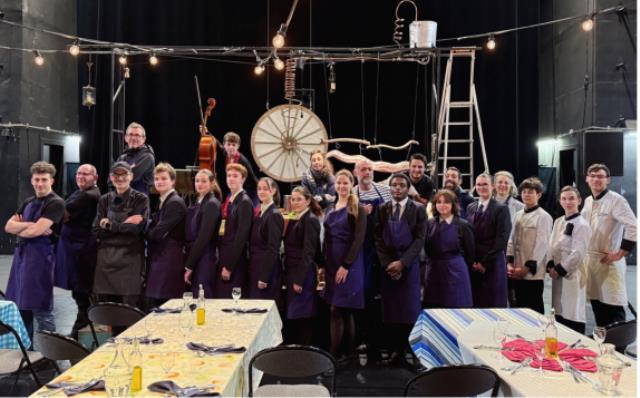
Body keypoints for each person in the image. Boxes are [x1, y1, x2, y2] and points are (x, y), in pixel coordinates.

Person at [5, 161, 65, 338]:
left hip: (41, 259)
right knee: (21, 306)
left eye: (44, 180)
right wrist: (31, 224)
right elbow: (8, 226)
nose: (40, 183)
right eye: (37, 179)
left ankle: (50, 354)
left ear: (51, 181)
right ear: (31, 180)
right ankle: (26, 353)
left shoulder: (56, 203)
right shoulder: (28, 201)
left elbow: (36, 231)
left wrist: (23, 226)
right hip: (21, 258)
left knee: (41, 308)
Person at [375, 173, 426, 366]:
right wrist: (388, 263)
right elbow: (378, 238)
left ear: (407, 188)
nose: (397, 188)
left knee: (409, 310)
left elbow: (420, 239)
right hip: (388, 267)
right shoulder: (382, 208)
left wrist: (402, 263)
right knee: (392, 310)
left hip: (409, 266)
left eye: (401, 185)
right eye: (394, 185)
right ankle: (396, 349)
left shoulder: (419, 210)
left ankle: (411, 352)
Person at [582, 163, 637, 327]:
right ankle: (604, 344)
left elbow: (633, 225)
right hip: (591, 262)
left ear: (608, 180)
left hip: (609, 262)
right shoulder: (587, 201)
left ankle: (618, 348)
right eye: (593, 176)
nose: (596, 179)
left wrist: (620, 253)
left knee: (613, 307)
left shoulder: (616, 200)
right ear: (587, 179)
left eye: (600, 176)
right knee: (597, 306)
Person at [320, 169, 366, 362]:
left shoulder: (357, 208)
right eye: (338, 183)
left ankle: (333, 354)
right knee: (343, 310)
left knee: (338, 309)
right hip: (331, 262)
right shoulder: (330, 207)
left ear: (351, 184)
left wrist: (346, 265)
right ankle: (350, 353)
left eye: (345, 183)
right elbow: (325, 238)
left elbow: (358, 240)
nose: (341, 186)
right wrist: (323, 264)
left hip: (349, 263)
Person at [54, 163, 100, 340]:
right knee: (79, 293)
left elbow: (60, 213)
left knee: (82, 294)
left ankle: (78, 334)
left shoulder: (88, 195)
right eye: (79, 173)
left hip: (81, 252)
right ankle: (79, 332)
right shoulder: (81, 193)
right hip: (74, 250)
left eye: (86, 174)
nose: (81, 176)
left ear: (95, 178)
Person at [93, 161, 149, 308]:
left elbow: (137, 230)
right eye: (116, 175)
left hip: (130, 259)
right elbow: (96, 230)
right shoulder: (104, 200)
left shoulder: (141, 199)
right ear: (111, 178)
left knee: (130, 309)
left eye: (124, 174)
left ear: (131, 176)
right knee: (109, 310)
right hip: (107, 260)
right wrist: (125, 225)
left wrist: (110, 225)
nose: (120, 178)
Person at [352, 159, 391, 364]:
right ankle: (363, 339)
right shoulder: (350, 193)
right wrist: (360, 214)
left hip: (381, 249)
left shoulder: (384, 191)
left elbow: (391, 218)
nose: (367, 172)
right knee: (363, 296)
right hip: (361, 251)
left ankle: (380, 342)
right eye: (363, 169)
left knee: (380, 298)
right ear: (356, 172)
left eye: (370, 169)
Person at [546, 186, 592, 334]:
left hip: (572, 276)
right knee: (558, 313)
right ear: (560, 201)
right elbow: (551, 245)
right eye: (564, 198)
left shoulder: (582, 225)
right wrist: (550, 265)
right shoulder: (559, 221)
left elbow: (578, 253)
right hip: (556, 277)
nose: (568, 202)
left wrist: (559, 270)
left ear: (579, 200)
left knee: (572, 313)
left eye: (571, 198)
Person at [506, 177, 553, 314]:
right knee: (517, 307)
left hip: (532, 274)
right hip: (516, 269)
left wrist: (527, 268)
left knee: (533, 307)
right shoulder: (518, 214)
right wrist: (509, 263)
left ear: (538, 195)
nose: (526, 194)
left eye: (530, 192)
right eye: (524, 192)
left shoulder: (543, 216)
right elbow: (511, 239)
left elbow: (542, 245)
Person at [283, 186, 322, 345]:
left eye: (299, 199)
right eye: (293, 199)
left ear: (308, 201)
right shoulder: (295, 217)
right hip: (292, 270)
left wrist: (299, 279)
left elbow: (308, 252)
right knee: (295, 314)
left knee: (303, 314)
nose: (295, 202)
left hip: (303, 274)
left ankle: (305, 353)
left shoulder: (310, 219)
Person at [144, 163, 187, 310]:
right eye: (156, 178)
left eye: (163, 178)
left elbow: (156, 233)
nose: (159, 182)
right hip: (161, 256)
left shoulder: (175, 202)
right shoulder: (163, 201)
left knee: (165, 304)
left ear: (173, 181)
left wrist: (142, 226)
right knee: (156, 303)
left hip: (169, 259)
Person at [465, 173, 511, 308]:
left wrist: (484, 263)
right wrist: (472, 261)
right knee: (475, 302)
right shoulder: (471, 207)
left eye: (485, 184)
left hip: (492, 263)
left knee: (493, 303)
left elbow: (502, 240)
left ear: (492, 186)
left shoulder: (501, 209)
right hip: (474, 264)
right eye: (479, 184)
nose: (482, 187)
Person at [424, 189, 475, 308]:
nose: (442, 205)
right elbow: (426, 248)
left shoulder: (463, 225)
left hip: (455, 270)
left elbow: (470, 253)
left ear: (453, 204)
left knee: (456, 306)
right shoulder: (430, 223)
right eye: (439, 202)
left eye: (446, 202)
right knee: (434, 307)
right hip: (434, 270)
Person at [215, 163, 253, 298]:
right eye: (229, 175)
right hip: (224, 255)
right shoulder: (230, 199)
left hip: (235, 261)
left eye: (235, 176)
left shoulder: (244, 202)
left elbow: (241, 237)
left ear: (243, 179)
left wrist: (229, 266)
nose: (231, 179)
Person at [184, 169, 222, 297]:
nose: (199, 184)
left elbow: (203, 237)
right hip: (197, 256)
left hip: (205, 258)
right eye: (197, 181)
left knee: (203, 296)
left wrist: (190, 265)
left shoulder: (212, 204)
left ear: (212, 183)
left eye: (204, 181)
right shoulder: (198, 201)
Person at [247, 177, 284, 302]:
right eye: (259, 189)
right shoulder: (260, 212)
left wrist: (264, 276)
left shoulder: (274, 214)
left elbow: (273, 248)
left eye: (265, 189)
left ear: (273, 191)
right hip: (256, 266)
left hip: (267, 270)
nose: (261, 192)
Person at [493, 170, 525, 306]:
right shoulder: (486, 203)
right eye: (500, 182)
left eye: (506, 183)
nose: (503, 185)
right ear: (494, 185)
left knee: (513, 294)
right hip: (492, 253)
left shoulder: (520, 207)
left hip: (511, 254)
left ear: (511, 186)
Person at [211, 130, 258, 203]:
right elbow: (215, 141)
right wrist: (206, 132)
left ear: (238, 146)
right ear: (224, 144)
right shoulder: (223, 152)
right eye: (228, 144)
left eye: (233, 145)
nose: (231, 147)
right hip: (229, 189)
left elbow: (253, 180)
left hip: (246, 190)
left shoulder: (243, 161)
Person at [116, 122, 156, 196]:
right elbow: (110, 180)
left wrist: (119, 174)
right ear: (125, 138)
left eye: (137, 135)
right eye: (131, 134)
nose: (134, 138)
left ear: (144, 139)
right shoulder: (122, 156)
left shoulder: (147, 156)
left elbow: (133, 176)